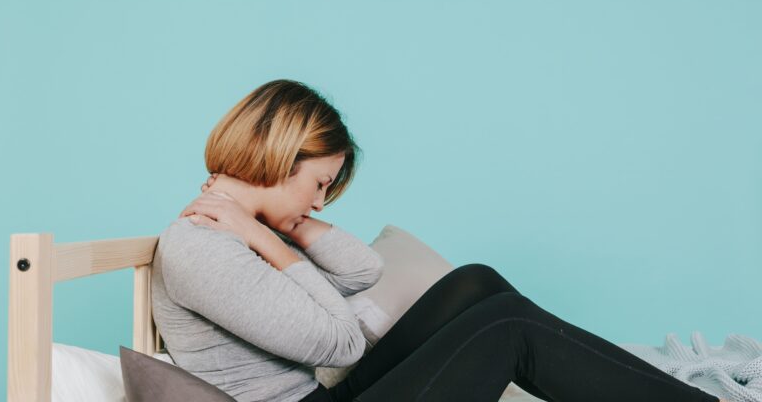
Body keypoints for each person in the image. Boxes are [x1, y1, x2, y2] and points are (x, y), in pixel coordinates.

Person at [152, 78, 726, 402]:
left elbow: (360, 275)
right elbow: (342, 344)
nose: (321, 201)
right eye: (319, 183)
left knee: (474, 284)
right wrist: (270, 241)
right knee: (508, 329)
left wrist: (291, 227)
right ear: (281, 154)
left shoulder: (243, 230)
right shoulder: (204, 247)